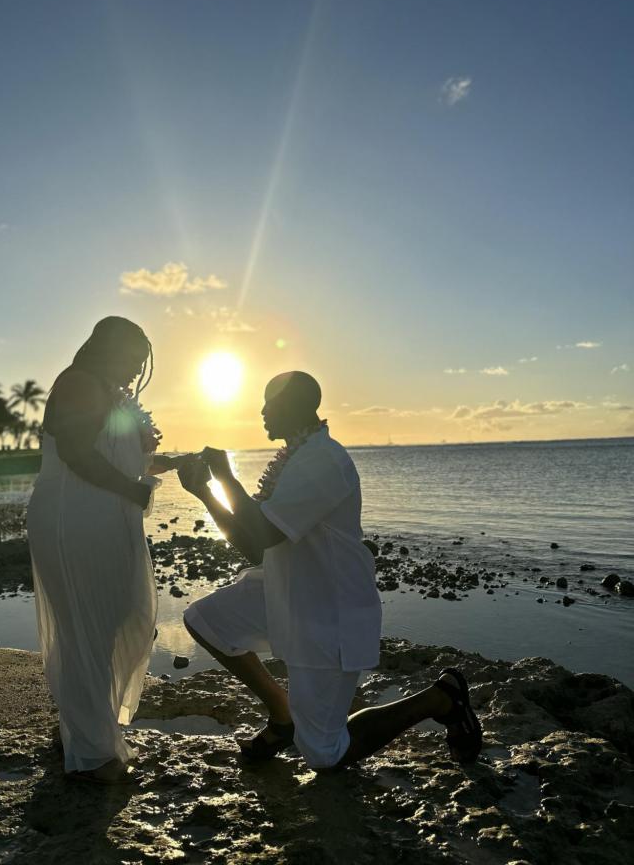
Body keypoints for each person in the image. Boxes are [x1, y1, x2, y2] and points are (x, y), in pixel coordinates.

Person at [178, 371, 482, 771]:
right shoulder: (295, 457)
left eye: (272, 402)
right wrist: (204, 491)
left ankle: (441, 698)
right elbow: (253, 544)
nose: (262, 411)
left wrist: (226, 478)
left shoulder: (323, 460)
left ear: (299, 407)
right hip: (286, 587)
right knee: (206, 620)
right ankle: (283, 715)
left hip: (328, 608)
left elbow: (262, 536)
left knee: (324, 754)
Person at [27, 316, 192, 784]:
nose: (137, 370)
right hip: (72, 520)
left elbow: (117, 455)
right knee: (88, 628)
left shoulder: (110, 392)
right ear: (108, 349)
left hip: (104, 520)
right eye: (132, 359)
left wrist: (174, 462)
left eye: (142, 362)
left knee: (107, 621)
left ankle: (80, 728)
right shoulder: (79, 383)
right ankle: (93, 753)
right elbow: (78, 454)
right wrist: (132, 489)